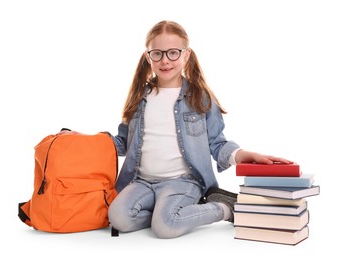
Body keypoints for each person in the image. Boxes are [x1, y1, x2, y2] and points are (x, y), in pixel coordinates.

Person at [108, 20, 292, 239]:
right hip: (142, 182)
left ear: (186, 55)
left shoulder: (199, 97)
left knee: (165, 228)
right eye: (157, 54)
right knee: (118, 218)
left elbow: (216, 143)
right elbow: (123, 142)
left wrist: (243, 155)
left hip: (182, 180)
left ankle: (225, 208)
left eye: (173, 53)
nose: (165, 60)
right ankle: (167, 213)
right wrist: (84, 140)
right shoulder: (140, 97)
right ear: (148, 57)